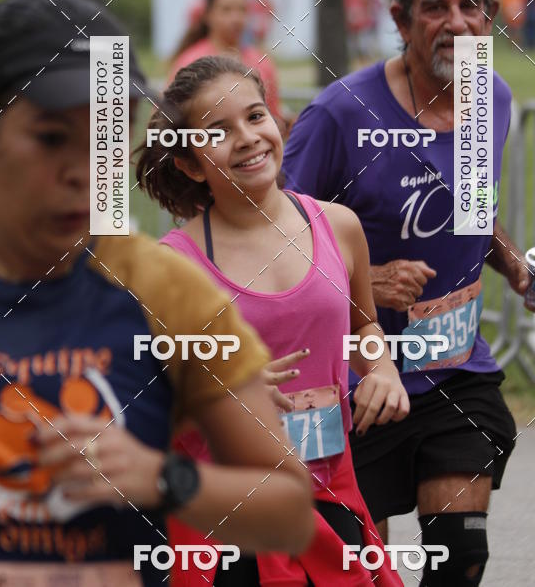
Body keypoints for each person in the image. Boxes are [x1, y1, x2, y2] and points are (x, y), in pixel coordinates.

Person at [0, 0, 314, 586]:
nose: (85, 170)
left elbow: (290, 514)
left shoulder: (165, 289)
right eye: (53, 138)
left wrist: (163, 477)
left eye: (106, 136)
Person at [282, 0, 535, 586]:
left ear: (489, 18)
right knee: (358, 572)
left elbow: (471, 210)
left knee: (459, 557)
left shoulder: (489, 98)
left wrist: (517, 267)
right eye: (435, 7)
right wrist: (366, 280)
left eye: (470, 5)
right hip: (355, 378)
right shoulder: (339, 113)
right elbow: (275, 230)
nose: (456, 22)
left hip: (454, 369)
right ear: (400, 20)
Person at [136, 55, 408, 586]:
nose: (246, 137)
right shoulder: (171, 266)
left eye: (255, 116)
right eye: (217, 130)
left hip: (330, 494)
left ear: (278, 124)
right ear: (190, 164)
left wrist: (382, 371)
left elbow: (364, 330)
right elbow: (146, 407)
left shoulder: (339, 226)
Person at [168, 0, 283, 124]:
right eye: (226, 10)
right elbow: (168, 116)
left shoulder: (262, 61)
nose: (236, 18)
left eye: (242, 10)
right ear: (207, 15)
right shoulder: (190, 61)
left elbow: (273, 116)